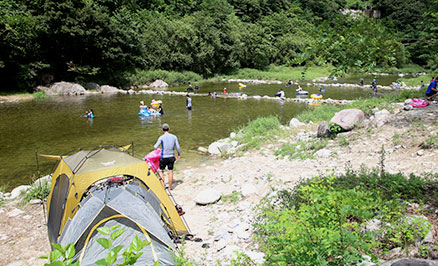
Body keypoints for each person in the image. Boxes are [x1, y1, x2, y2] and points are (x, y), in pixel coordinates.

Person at [154, 124, 180, 190]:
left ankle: (163, 187)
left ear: (162, 130)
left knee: (160, 171)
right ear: (169, 129)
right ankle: (170, 187)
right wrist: (178, 154)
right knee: (170, 171)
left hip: (163, 157)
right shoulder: (174, 137)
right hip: (171, 156)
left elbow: (155, 146)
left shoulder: (161, 137)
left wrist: (159, 149)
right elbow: (178, 147)